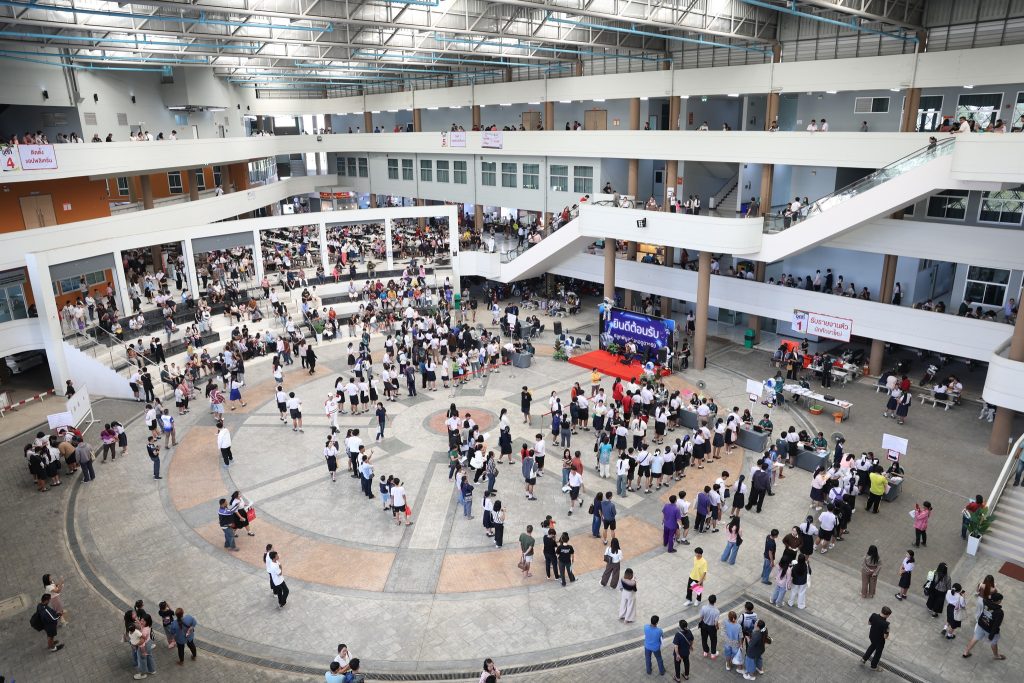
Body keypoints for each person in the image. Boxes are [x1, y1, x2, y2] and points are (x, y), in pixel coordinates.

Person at [962, 592, 1005, 660]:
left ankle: (966, 652)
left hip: (981, 624)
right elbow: (996, 625)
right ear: (999, 601)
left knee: (975, 638)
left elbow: (987, 597)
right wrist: (991, 636)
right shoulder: (999, 612)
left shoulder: (985, 601)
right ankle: (996, 655)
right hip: (989, 629)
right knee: (993, 642)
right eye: (1000, 600)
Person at [861, 607, 891, 671]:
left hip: (872, 636)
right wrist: (888, 631)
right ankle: (873, 666)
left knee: (872, 646)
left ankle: (864, 659)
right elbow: (885, 637)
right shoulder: (886, 624)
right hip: (879, 640)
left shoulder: (874, 615)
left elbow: (869, 623)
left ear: (881, 611)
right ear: (888, 615)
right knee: (878, 653)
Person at [697, 594, 720, 659]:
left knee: (704, 639)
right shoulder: (717, 611)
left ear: (708, 600)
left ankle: (705, 651)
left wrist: (700, 623)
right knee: (713, 640)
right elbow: (716, 622)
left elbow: (701, 617)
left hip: (704, 625)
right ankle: (713, 653)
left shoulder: (703, 607)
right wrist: (717, 627)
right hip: (712, 627)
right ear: (715, 601)